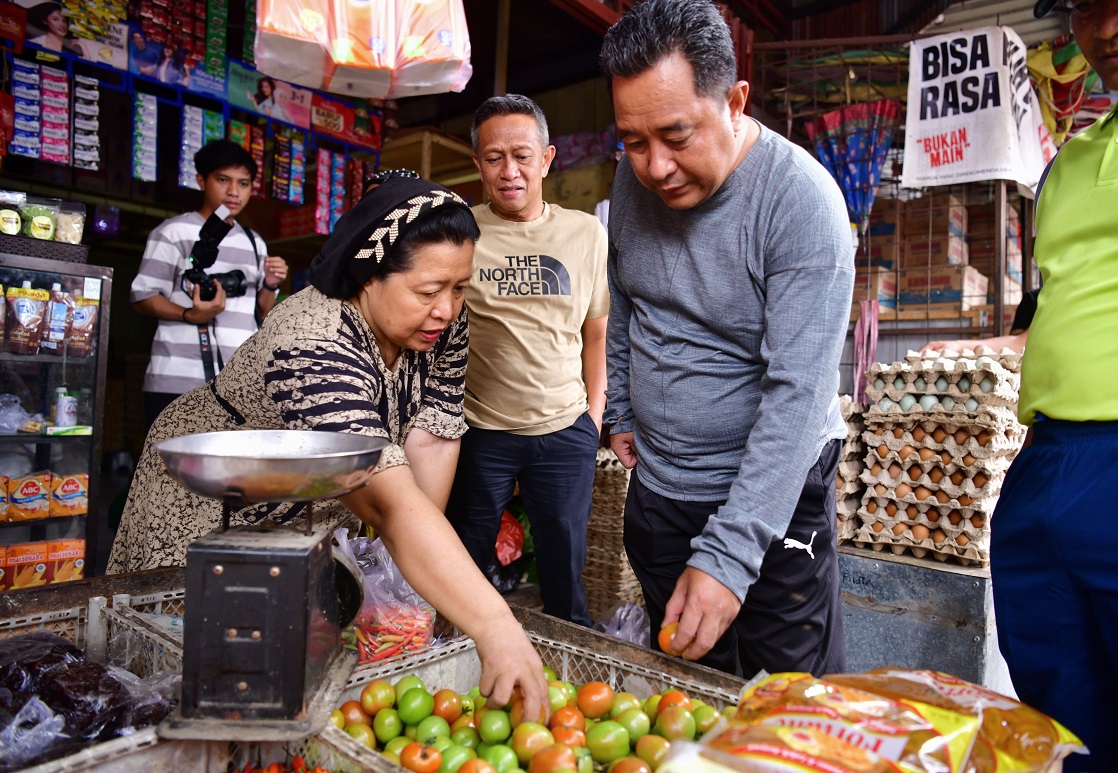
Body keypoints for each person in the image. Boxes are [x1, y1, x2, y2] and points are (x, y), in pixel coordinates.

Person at [108, 171, 549, 719]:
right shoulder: (312, 338)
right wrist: (493, 623)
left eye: (460, 288)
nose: (448, 310)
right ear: (368, 277)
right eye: (430, 291)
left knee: (301, 656)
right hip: (207, 497)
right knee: (191, 668)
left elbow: (432, 435)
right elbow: (386, 499)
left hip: (312, 501)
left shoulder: (441, 324)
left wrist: (404, 580)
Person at [598, 0, 853, 677]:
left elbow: (798, 394)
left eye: (677, 135)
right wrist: (620, 401)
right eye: (634, 140)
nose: (655, 166)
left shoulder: (801, 204)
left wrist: (731, 554)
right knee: (684, 694)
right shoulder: (632, 179)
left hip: (772, 503)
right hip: (661, 488)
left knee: (783, 706)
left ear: (735, 100)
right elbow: (624, 292)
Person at [985, 0, 1118, 769]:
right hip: (1049, 464)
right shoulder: (1072, 159)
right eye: (1090, 5)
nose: (1110, 26)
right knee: (1064, 722)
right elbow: (1055, 300)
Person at [446, 95, 608, 627]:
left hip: (565, 429)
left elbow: (597, 329)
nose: (509, 171)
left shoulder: (585, 234)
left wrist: (596, 413)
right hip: (481, 430)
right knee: (464, 560)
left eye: (522, 155)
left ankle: (569, 669)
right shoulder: (458, 232)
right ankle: (462, 657)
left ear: (546, 158)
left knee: (564, 570)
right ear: (478, 165)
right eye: (494, 158)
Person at [129, 139, 288, 430]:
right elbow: (142, 296)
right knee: (170, 474)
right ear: (202, 181)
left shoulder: (255, 242)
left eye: (243, 183)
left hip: (240, 384)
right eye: (223, 180)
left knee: (232, 474)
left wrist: (270, 284)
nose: (233, 192)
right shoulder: (173, 231)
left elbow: (263, 314)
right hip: (177, 379)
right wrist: (190, 315)